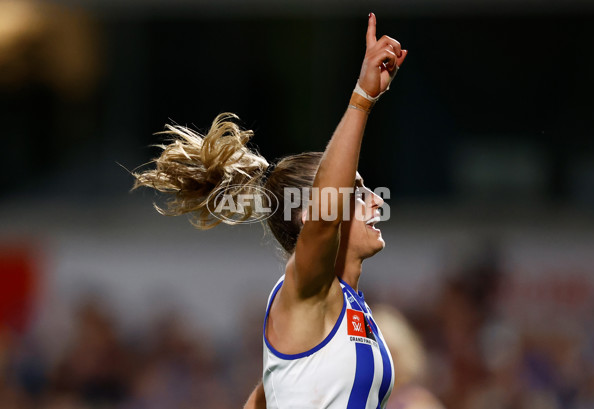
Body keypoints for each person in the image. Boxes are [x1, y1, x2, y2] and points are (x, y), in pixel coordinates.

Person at [132, 12, 407, 408]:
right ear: (307, 213)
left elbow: (266, 394)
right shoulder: (304, 286)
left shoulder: (346, 303)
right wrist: (362, 99)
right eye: (358, 191)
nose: (377, 200)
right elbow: (326, 213)